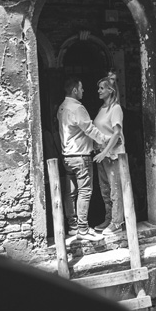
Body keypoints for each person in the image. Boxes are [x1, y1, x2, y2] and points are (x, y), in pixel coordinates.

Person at [57, 77, 108, 243]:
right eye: (81, 88)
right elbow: (89, 129)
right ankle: (83, 229)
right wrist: (105, 141)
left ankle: (72, 227)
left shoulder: (62, 107)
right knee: (85, 192)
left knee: (70, 193)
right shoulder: (77, 108)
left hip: (67, 157)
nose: (83, 91)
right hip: (80, 156)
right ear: (74, 91)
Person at [93, 71, 127, 239]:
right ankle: (108, 219)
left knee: (115, 189)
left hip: (112, 155)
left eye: (101, 88)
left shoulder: (116, 109)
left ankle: (117, 222)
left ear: (110, 91)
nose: (98, 91)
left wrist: (106, 152)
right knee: (105, 189)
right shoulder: (102, 108)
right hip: (102, 155)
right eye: (98, 88)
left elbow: (117, 133)